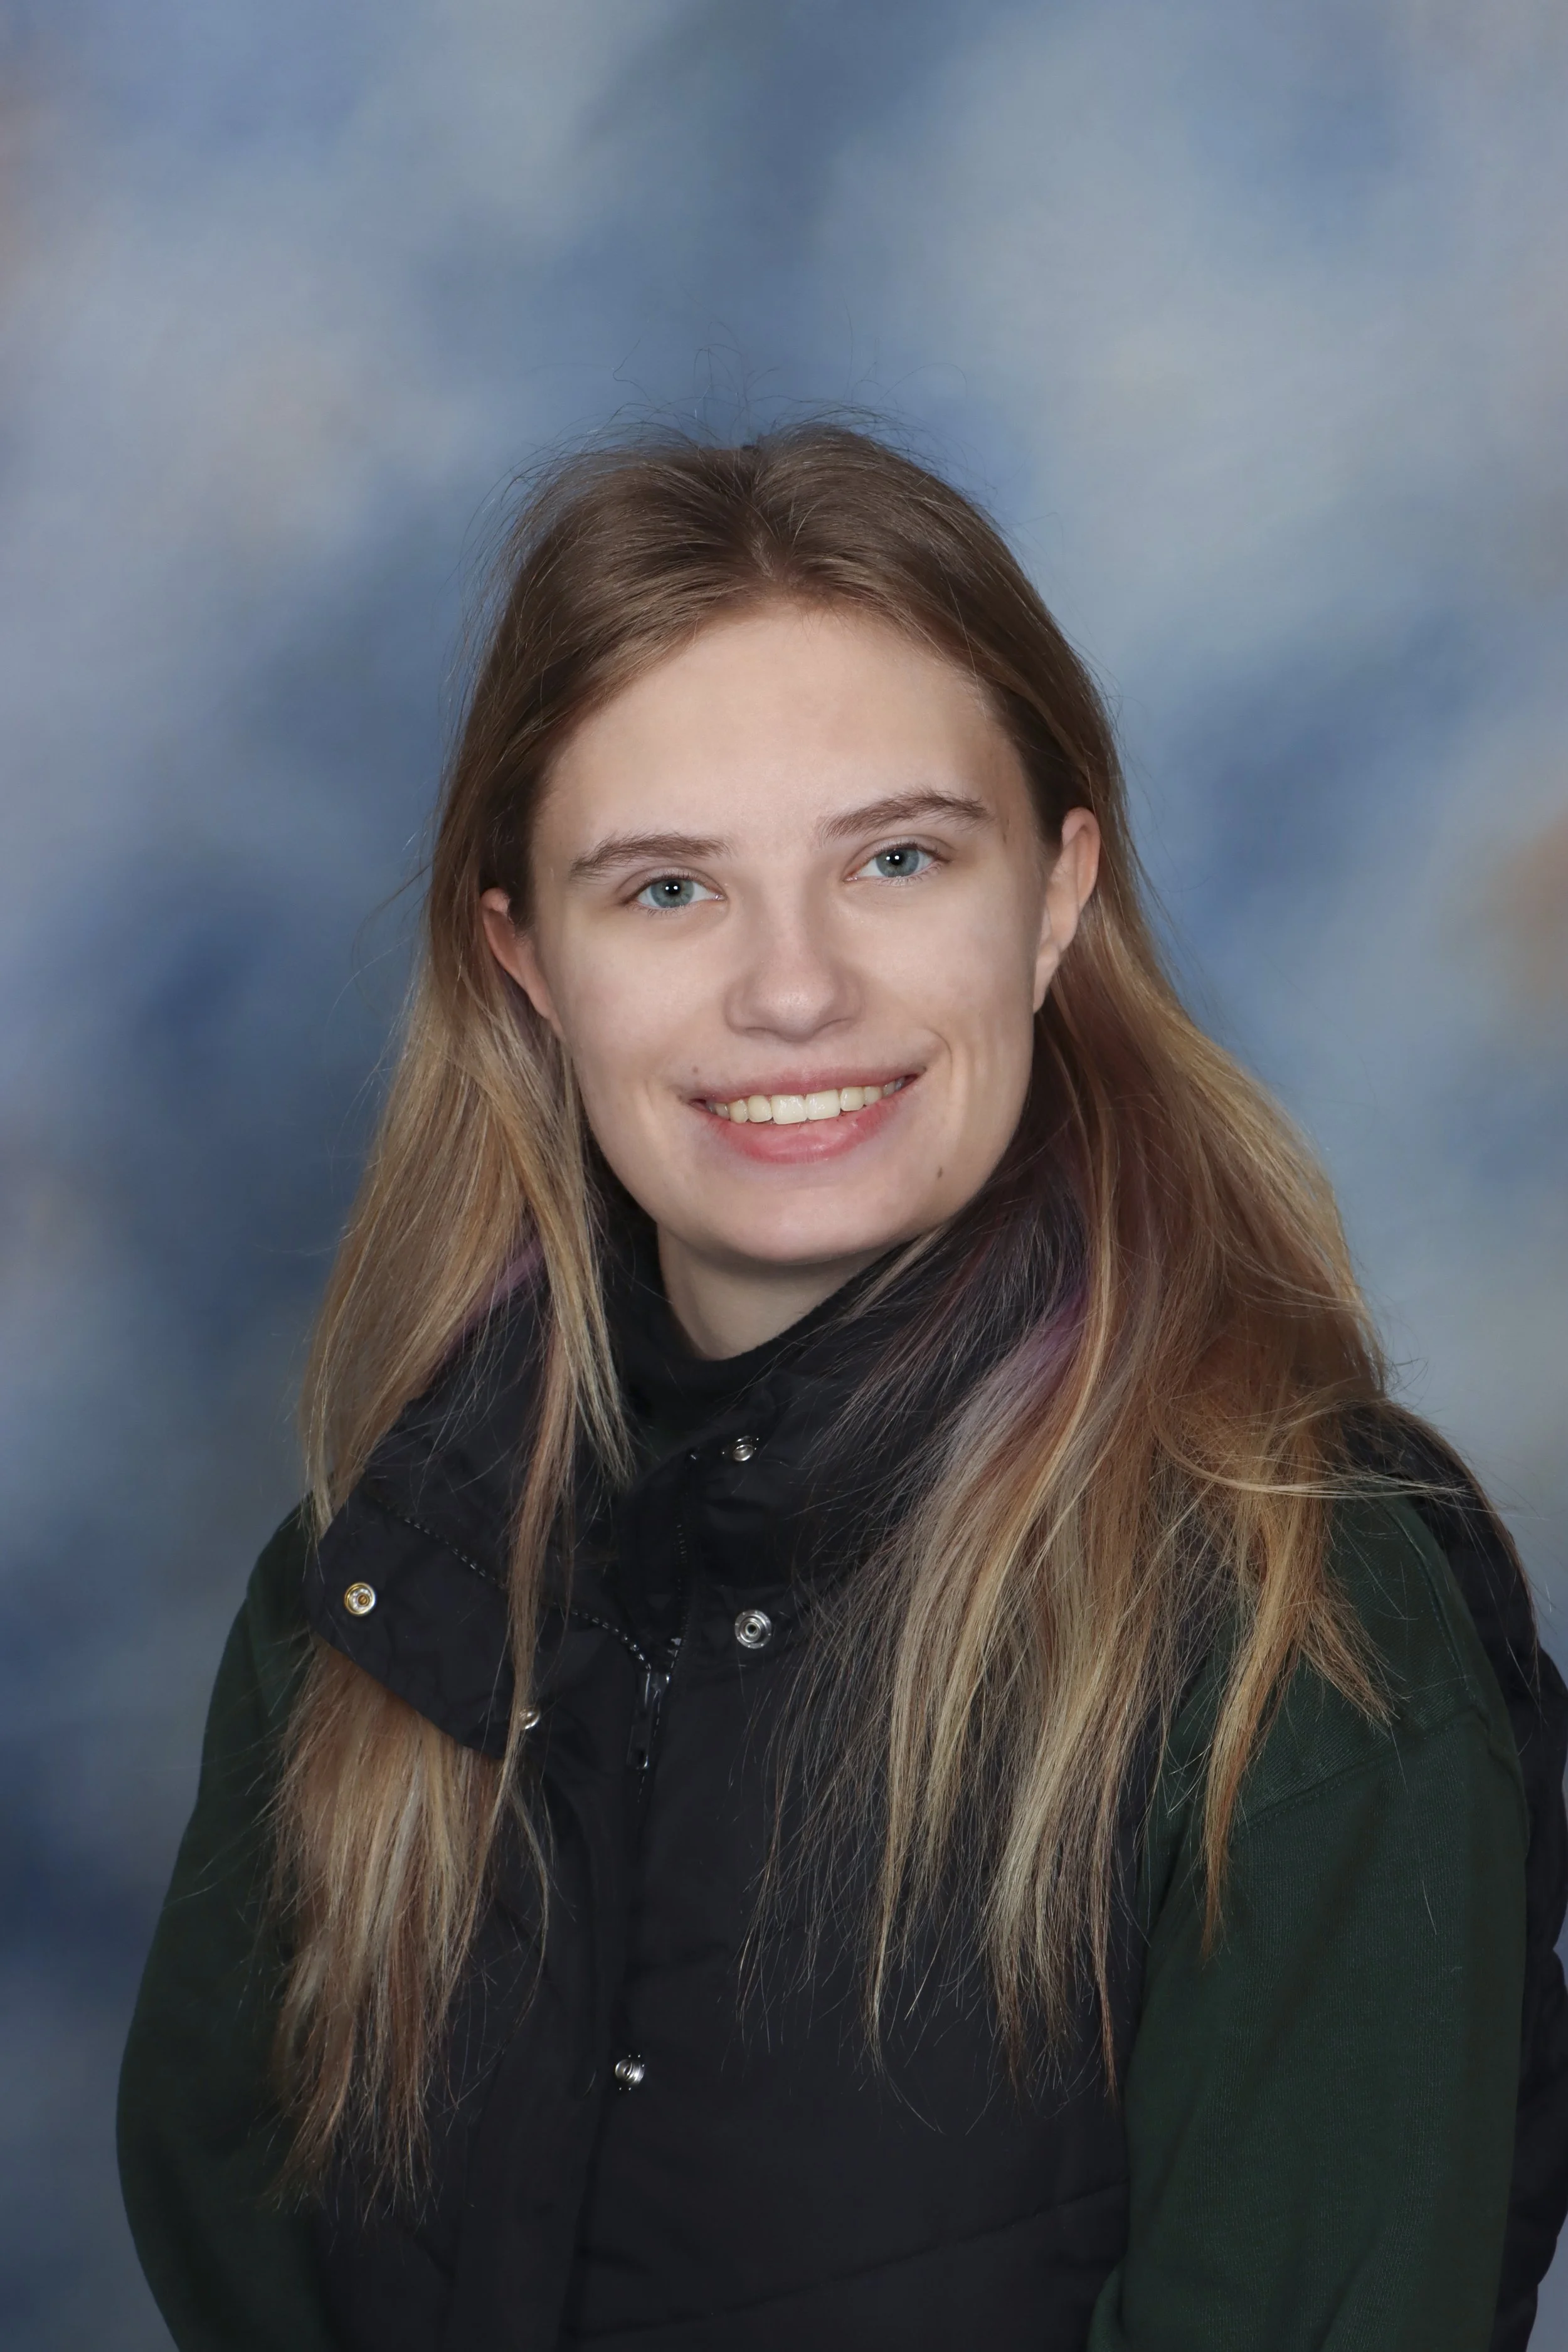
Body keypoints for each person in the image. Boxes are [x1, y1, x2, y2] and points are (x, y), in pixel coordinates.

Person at [119, 425, 1568, 2352]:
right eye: (664, 890)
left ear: (1055, 897)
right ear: (523, 958)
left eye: (895, 857)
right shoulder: (372, 1599)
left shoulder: (1296, 1617)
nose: (791, 991)